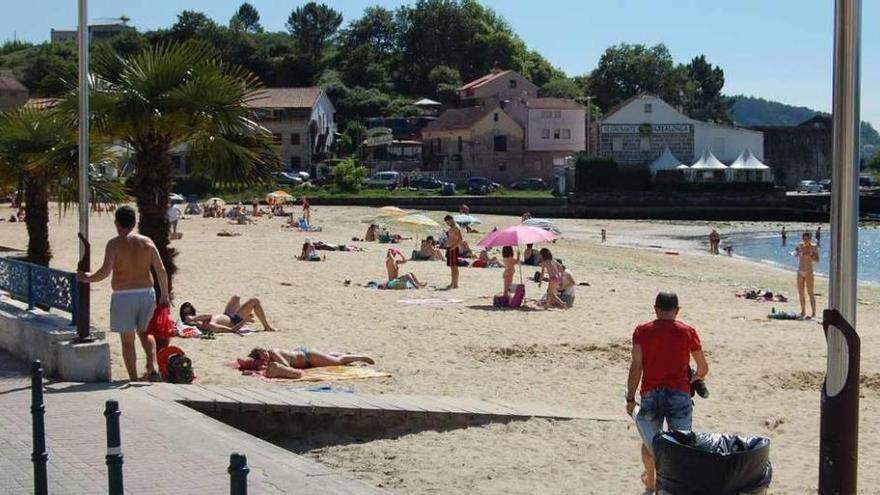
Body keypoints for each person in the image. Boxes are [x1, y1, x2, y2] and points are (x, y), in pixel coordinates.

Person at [626, 292, 709, 493]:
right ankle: (674, 486)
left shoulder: (641, 331)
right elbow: (703, 367)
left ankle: (652, 481)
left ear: (655, 309)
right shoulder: (688, 331)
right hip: (679, 393)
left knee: (650, 442)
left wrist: (630, 397)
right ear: (677, 310)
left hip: (651, 393)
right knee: (680, 445)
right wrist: (695, 379)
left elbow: (636, 366)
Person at [77, 206, 169, 382]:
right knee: (146, 334)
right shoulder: (147, 242)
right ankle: (153, 366)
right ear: (134, 223)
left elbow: (105, 271)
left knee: (127, 340)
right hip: (146, 293)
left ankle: (133, 378)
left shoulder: (114, 244)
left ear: (117, 223)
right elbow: (161, 270)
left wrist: (87, 278)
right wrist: (164, 295)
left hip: (123, 295)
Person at [248, 347, 374, 379]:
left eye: (263, 356)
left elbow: (286, 365)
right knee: (328, 358)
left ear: (264, 351)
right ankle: (345, 354)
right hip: (306, 357)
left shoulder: (273, 352)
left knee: (338, 362)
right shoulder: (271, 356)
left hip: (308, 357)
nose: (265, 359)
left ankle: (361, 357)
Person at [180, 296, 276, 333]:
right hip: (235, 320)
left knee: (236, 297)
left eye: (190, 312)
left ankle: (246, 313)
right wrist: (244, 320)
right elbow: (232, 330)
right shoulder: (211, 325)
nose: (189, 315)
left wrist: (193, 318)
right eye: (186, 313)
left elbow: (207, 316)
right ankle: (267, 327)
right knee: (254, 301)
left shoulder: (201, 320)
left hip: (227, 314)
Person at [795, 231, 819, 318]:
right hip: (800, 271)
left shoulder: (814, 247)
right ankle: (803, 311)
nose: (806, 240)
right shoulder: (800, 245)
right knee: (801, 293)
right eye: (804, 238)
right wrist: (797, 253)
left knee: (810, 292)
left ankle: (813, 313)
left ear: (810, 239)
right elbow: (796, 254)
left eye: (807, 239)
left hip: (809, 271)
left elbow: (817, 260)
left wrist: (811, 256)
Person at [444, 215, 463, 289]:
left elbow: (460, 239)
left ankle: (454, 283)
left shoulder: (456, 228)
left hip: (453, 248)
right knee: (452, 267)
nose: (447, 224)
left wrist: (453, 247)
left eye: (447, 222)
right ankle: (453, 283)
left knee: (454, 266)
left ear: (451, 220)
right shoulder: (452, 228)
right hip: (450, 248)